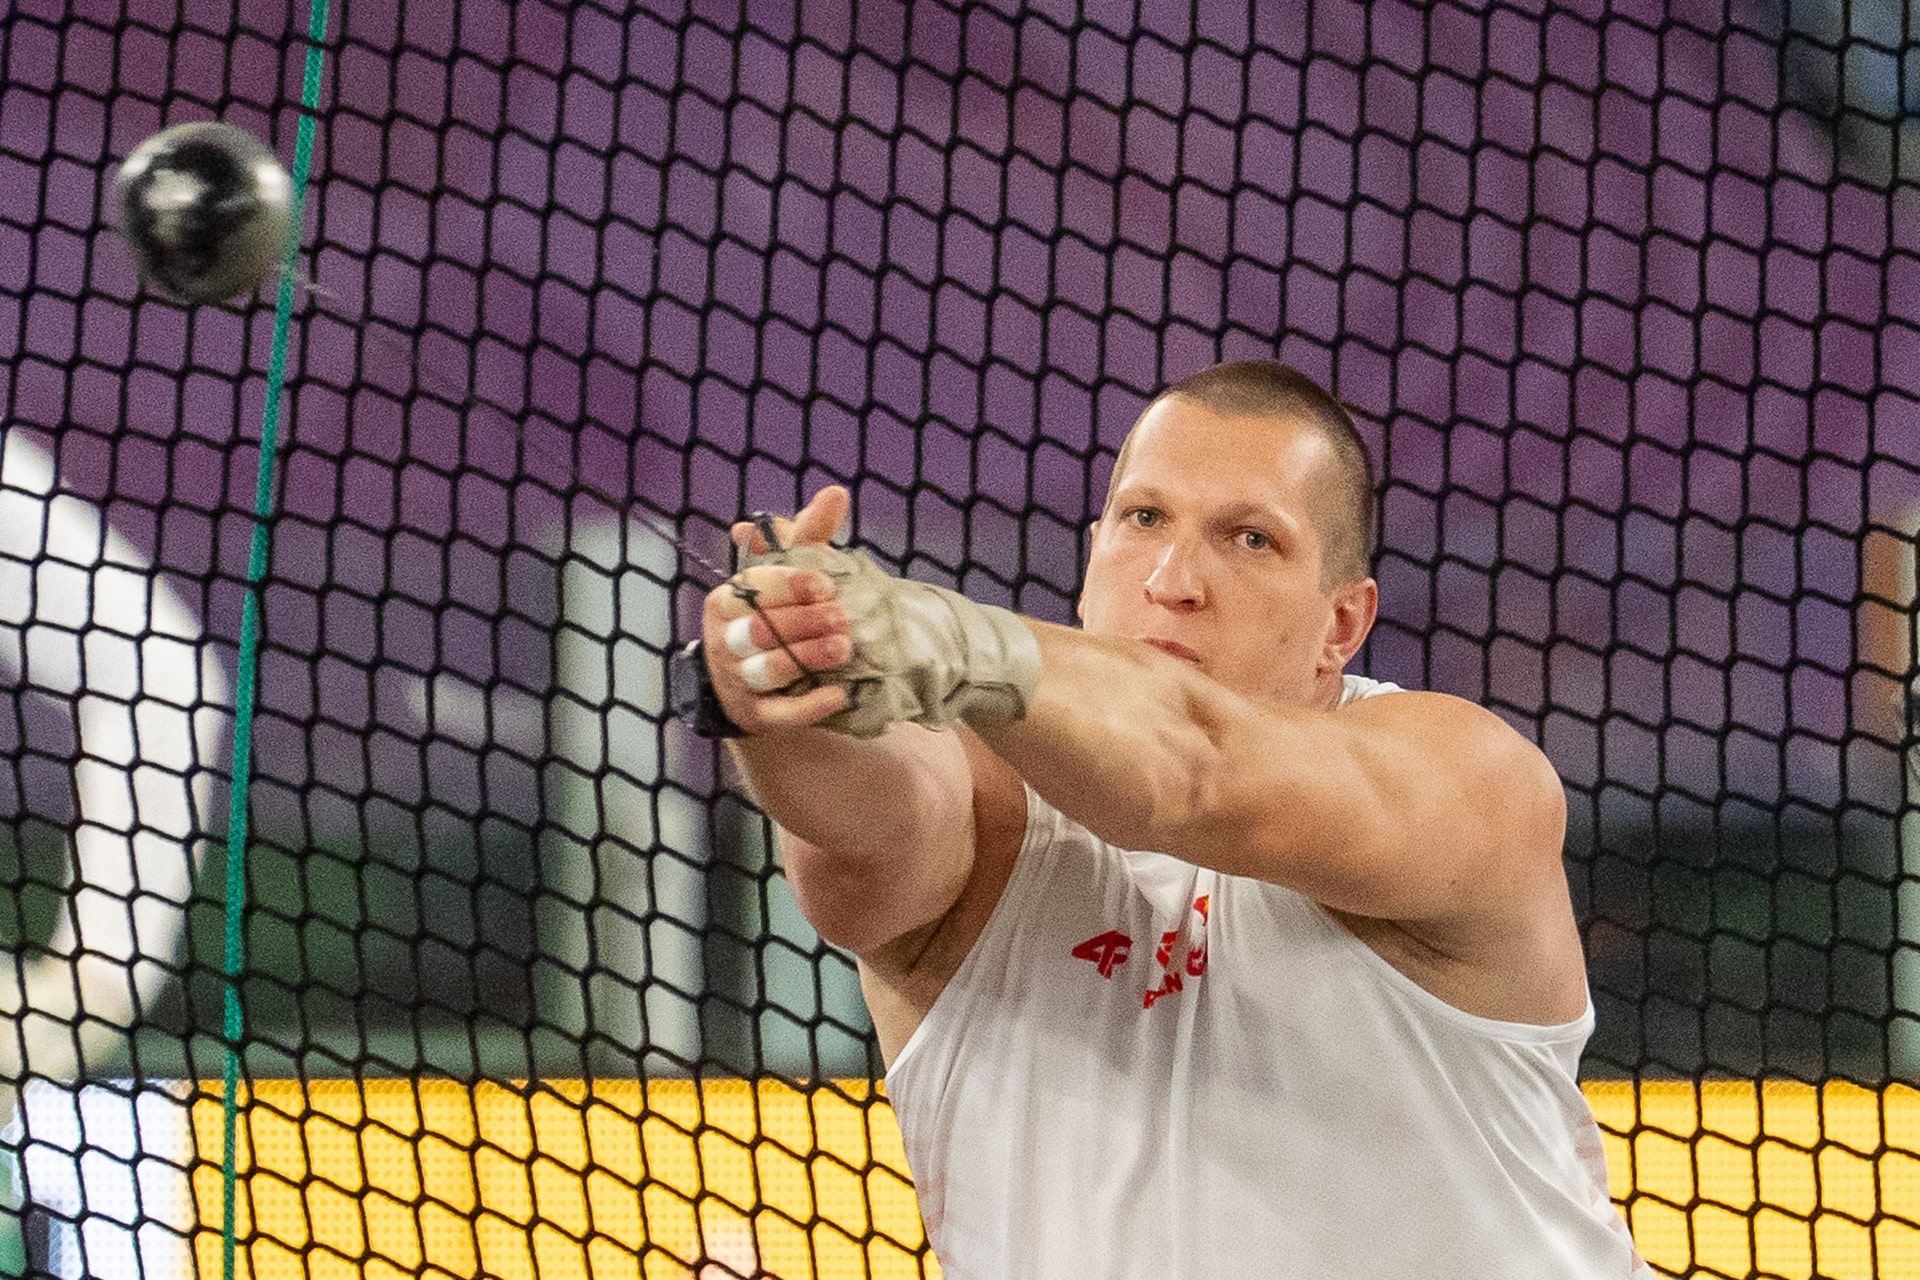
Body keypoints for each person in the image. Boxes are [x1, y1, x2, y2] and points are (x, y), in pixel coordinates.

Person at [684, 360, 1649, 1276]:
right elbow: (864, 823)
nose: (1173, 578)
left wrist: (942, 637)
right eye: (1143, 518)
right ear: (1094, 550)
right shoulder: (987, 802)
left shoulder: (1466, 779)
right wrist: (784, 676)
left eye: (1250, 538)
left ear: (1342, 625)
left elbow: (1191, 767)